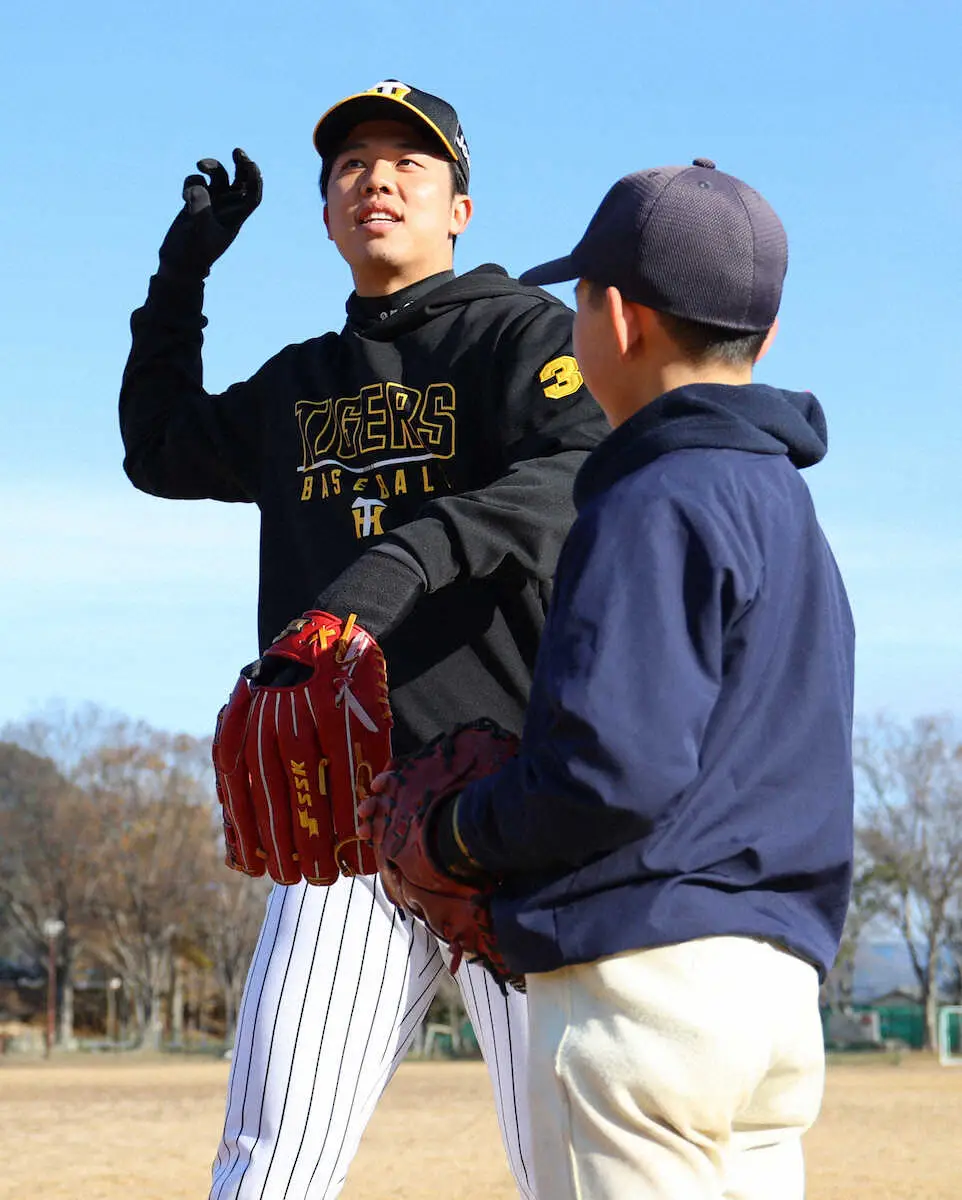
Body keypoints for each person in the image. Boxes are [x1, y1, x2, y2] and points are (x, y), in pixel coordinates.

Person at [118, 80, 605, 1199]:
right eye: (349, 166)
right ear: (328, 215)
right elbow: (159, 449)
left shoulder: (520, 337)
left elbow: (577, 471)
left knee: (573, 1170)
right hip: (340, 820)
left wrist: (404, 560)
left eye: (408, 162)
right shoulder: (300, 385)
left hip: (507, 809)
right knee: (268, 1160)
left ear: (458, 211)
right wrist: (180, 275)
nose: (374, 178)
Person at [415, 160, 856, 1199]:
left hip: (642, 990)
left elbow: (611, 768)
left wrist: (460, 831)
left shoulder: (646, 494)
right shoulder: (789, 512)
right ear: (765, 335)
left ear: (613, 317)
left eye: (577, 301)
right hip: (774, 993)